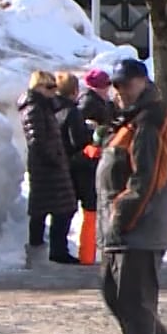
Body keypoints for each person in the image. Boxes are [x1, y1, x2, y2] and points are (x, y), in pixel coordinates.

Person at [94, 58, 167, 334]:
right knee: (117, 295)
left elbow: (146, 179)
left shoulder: (151, 120)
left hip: (138, 229)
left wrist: (122, 216)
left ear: (142, 82)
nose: (119, 92)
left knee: (134, 302)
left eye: (125, 85)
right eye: (116, 86)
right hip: (122, 229)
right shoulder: (131, 119)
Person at [18, 70, 78, 266]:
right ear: (38, 87)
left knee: (59, 208)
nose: (54, 92)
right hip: (45, 167)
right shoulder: (34, 107)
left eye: (55, 87)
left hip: (51, 165)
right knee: (44, 210)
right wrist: (54, 158)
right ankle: (44, 252)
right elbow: (37, 139)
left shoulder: (45, 107)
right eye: (49, 87)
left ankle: (55, 250)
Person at [57, 71, 98, 249]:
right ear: (74, 91)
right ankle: (86, 251)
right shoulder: (72, 112)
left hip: (60, 163)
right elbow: (77, 140)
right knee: (87, 207)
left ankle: (59, 247)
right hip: (77, 164)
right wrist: (91, 134)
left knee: (63, 210)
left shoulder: (53, 109)